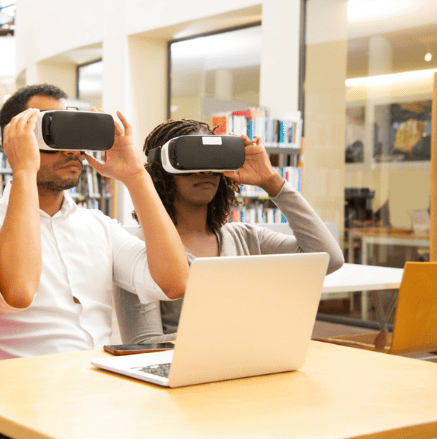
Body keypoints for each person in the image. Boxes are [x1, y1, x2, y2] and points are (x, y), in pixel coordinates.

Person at [0, 84, 190, 362]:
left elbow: (176, 282)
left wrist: (135, 175)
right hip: (20, 392)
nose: (70, 149)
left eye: (73, 130)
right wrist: (24, 169)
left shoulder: (98, 225)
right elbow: (17, 292)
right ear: (14, 139)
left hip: (99, 386)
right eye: (53, 131)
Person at [114, 119, 345, 344]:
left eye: (214, 161)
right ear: (163, 171)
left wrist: (272, 181)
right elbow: (142, 343)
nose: (205, 171)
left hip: (250, 366)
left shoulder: (247, 238)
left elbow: (329, 259)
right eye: (193, 160)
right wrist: (241, 334)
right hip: (183, 375)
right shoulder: (139, 251)